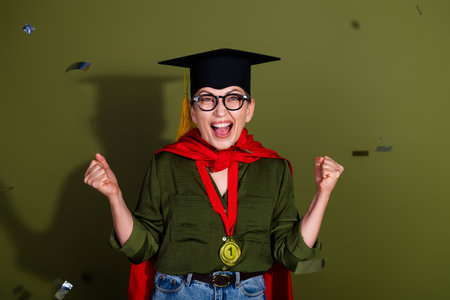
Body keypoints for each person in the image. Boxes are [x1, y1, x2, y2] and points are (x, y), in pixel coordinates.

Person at [84, 48, 344, 300]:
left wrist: (323, 194)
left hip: (249, 294)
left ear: (249, 108)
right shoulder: (165, 164)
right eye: (207, 99)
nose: (221, 111)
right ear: (193, 111)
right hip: (178, 294)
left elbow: (292, 256)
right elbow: (141, 249)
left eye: (233, 98)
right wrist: (115, 197)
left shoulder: (273, 169)